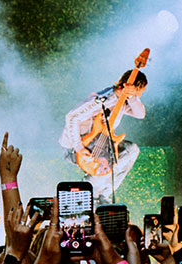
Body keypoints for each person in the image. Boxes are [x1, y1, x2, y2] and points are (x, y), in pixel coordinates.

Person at [60, 50, 150, 198]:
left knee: (131, 150)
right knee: (108, 161)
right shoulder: (104, 99)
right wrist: (78, 147)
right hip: (75, 147)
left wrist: (132, 97)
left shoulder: (123, 101)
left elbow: (140, 114)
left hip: (98, 145)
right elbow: (71, 117)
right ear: (122, 87)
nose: (134, 97)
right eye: (135, 93)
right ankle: (90, 189)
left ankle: (104, 195)